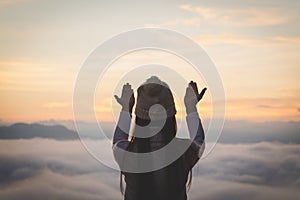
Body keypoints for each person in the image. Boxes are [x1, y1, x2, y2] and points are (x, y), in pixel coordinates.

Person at [112, 76, 206, 200]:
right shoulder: (183, 153)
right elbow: (199, 142)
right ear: (171, 116)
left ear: (139, 118)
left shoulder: (127, 154)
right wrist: (191, 107)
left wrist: (126, 109)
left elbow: (117, 141)